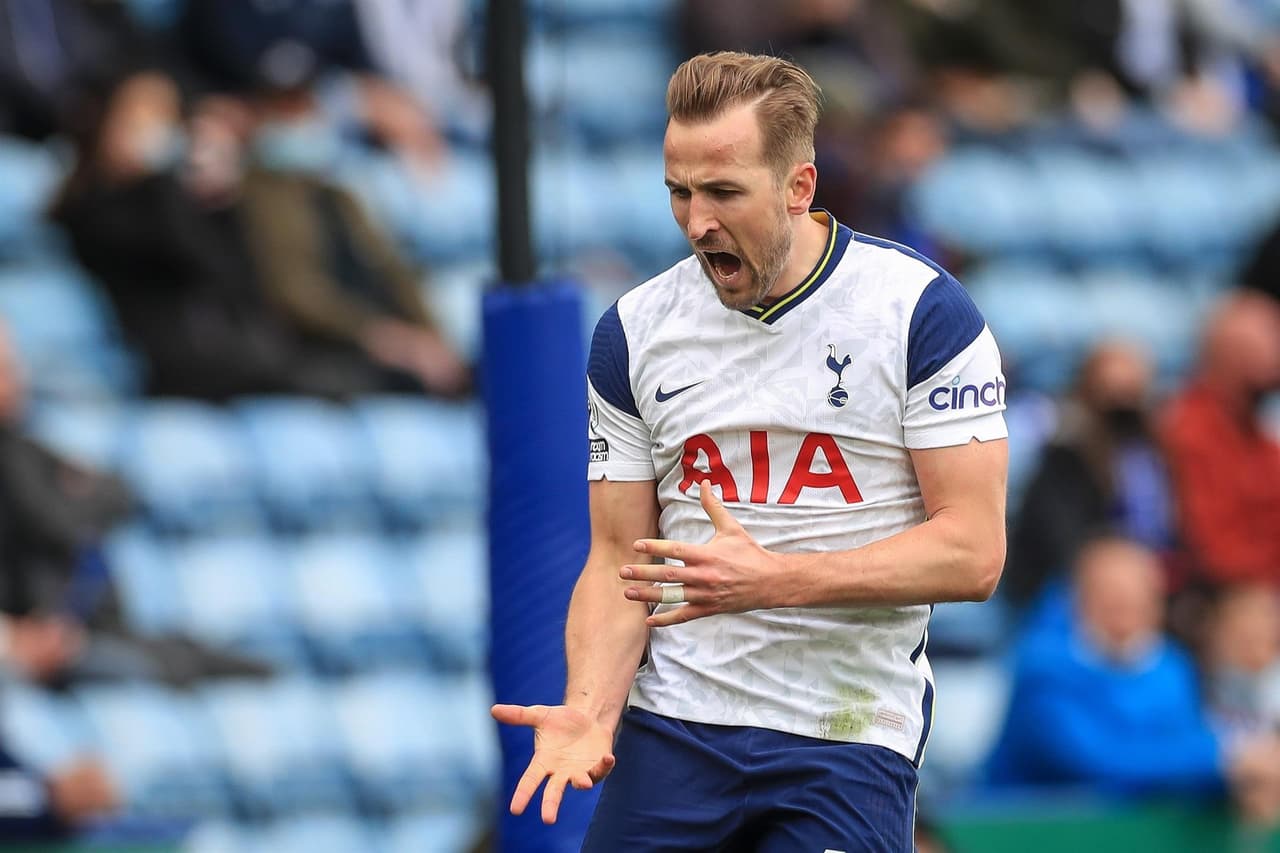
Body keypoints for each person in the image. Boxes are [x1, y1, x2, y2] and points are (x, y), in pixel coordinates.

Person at [491, 52, 1009, 850]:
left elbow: (973, 553)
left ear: (799, 186)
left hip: (846, 731)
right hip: (677, 728)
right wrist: (590, 710)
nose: (697, 221)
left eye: (723, 192)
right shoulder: (634, 331)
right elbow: (619, 557)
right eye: (679, 192)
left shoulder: (920, 315)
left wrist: (775, 579)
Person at [985, 537, 1280, 826]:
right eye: (1113, 595)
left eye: (1138, 595)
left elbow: (1179, 756)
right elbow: (1097, 761)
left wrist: (1236, 784)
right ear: (1081, 598)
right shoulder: (1044, 669)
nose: (1126, 607)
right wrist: (1225, 758)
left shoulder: (1172, 669)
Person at [1005, 340, 1174, 609]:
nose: (1121, 410)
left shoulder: (1151, 455)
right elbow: (1064, 545)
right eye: (1110, 397)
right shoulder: (1064, 459)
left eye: (1131, 396)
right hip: (1064, 593)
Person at [1159, 291, 1280, 587]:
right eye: (1268, 342)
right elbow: (1218, 554)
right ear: (1230, 355)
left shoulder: (1259, 436)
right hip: (1229, 596)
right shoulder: (1191, 432)